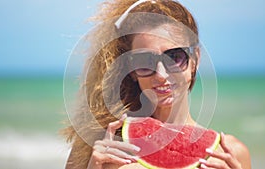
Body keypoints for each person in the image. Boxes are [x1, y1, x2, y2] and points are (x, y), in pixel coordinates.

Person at [62, 0, 251, 169]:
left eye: (175, 57)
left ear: (195, 60)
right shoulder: (105, 145)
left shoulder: (230, 153)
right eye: (145, 61)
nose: (161, 75)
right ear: (132, 70)